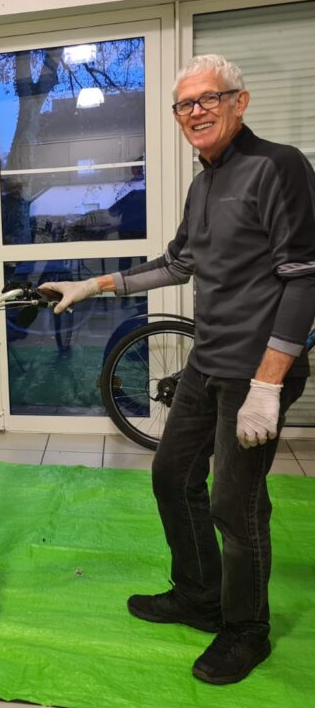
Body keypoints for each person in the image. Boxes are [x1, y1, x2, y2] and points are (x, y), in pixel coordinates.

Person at [38, 54, 315, 685]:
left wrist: (268, 384)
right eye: (184, 104)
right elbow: (177, 263)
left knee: (236, 505)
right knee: (172, 475)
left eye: (208, 99)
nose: (195, 112)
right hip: (208, 359)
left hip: (256, 370)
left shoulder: (279, 166)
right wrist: (93, 285)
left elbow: (305, 278)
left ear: (239, 101)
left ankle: (246, 629)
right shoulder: (203, 183)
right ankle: (199, 596)